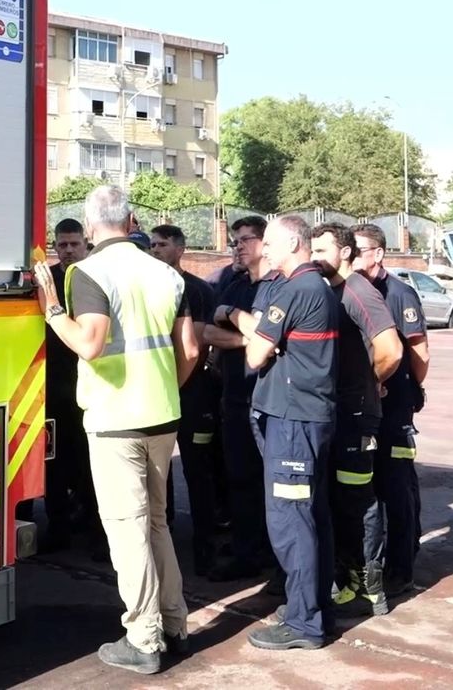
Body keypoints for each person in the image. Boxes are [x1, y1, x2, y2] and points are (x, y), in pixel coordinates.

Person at [34, 185, 203, 675]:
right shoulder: (167, 273)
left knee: (128, 530)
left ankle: (144, 636)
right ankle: (175, 624)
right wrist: (164, 387)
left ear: (88, 228)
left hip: (115, 420)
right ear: (131, 221)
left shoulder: (89, 272)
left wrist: (50, 307)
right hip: (163, 414)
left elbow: (89, 344)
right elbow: (189, 350)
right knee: (156, 523)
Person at [227, 213, 341, 650]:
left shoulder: (296, 289)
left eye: (271, 244)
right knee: (311, 519)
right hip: (305, 418)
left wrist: (237, 319)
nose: (265, 252)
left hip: (294, 423)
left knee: (292, 523)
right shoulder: (320, 287)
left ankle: (304, 623)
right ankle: (312, 610)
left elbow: (256, 355)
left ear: (294, 243)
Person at [309, 222, 404, 618]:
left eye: (321, 250)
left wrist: (371, 381)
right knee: (340, 501)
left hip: (356, 418)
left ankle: (369, 590)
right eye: (310, 250)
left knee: (359, 502)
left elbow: (392, 349)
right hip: (337, 413)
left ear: (345, 252)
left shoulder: (358, 290)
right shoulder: (331, 290)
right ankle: (346, 580)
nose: (314, 258)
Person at [351, 224, 430, 598]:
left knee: (397, 487)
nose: (352, 256)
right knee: (372, 488)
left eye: (360, 249)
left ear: (379, 253)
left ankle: (402, 568)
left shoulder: (399, 293)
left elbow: (419, 353)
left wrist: (409, 390)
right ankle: (375, 564)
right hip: (366, 403)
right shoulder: (353, 290)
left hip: (395, 404)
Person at [205, 216, 279, 585]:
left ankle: (276, 558)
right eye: (236, 241)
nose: (238, 246)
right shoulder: (234, 284)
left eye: (246, 239)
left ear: (266, 243)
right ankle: (247, 552)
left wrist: (234, 319)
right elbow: (206, 331)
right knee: (240, 479)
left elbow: (270, 343)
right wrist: (249, 337)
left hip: (269, 402)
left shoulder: (278, 286)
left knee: (273, 485)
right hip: (234, 398)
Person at [148, 224, 220, 575]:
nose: (155, 250)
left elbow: (200, 342)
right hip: (160, 394)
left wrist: (179, 383)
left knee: (198, 471)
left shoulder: (199, 289)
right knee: (159, 472)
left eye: (162, 244)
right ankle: (167, 540)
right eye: (152, 244)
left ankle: (205, 548)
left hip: (193, 394)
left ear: (180, 248)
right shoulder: (150, 286)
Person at [40, 218, 97, 553]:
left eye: (74, 244)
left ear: (86, 244)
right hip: (54, 388)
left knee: (89, 464)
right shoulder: (49, 280)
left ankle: (94, 530)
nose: (68, 251)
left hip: (89, 385)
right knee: (54, 464)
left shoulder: (93, 278)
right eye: (62, 245)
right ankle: (58, 528)